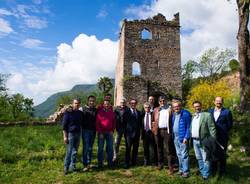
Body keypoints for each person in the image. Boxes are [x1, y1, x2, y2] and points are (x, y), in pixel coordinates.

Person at [191, 101, 216, 180]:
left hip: (204, 140)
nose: (196, 108)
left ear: (201, 106)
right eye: (195, 107)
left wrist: (212, 140)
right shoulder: (193, 116)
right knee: (199, 158)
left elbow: (212, 128)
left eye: (198, 106)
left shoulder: (207, 115)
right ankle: (202, 172)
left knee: (206, 158)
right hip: (195, 141)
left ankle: (206, 175)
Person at [208, 96, 233, 177]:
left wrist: (224, 131)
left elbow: (230, 125)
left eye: (220, 101)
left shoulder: (227, 112)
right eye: (217, 101)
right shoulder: (210, 111)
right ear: (214, 102)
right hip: (212, 136)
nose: (218, 102)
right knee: (213, 153)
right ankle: (213, 170)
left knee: (222, 154)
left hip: (222, 136)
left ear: (222, 102)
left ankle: (222, 171)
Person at [152, 96, 175, 175]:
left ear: (166, 101)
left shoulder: (170, 109)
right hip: (158, 131)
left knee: (169, 149)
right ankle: (160, 164)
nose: (162, 102)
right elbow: (153, 120)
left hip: (167, 131)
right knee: (159, 148)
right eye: (160, 101)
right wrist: (153, 129)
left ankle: (170, 167)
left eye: (163, 101)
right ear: (159, 102)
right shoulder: (156, 110)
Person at [62, 98, 84, 175]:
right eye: (75, 103)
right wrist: (65, 136)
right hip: (70, 134)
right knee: (69, 151)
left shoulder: (80, 113)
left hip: (78, 133)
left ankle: (73, 166)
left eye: (78, 103)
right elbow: (64, 126)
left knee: (75, 151)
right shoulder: (68, 113)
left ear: (79, 104)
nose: (76, 104)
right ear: (72, 104)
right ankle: (66, 167)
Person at [172, 99, 191, 178]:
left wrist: (186, 137)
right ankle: (181, 170)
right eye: (174, 107)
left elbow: (189, 127)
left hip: (183, 138)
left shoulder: (186, 114)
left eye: (177, 106)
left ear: (180, 106)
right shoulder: (174, 114)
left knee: (184, 155)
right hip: (175, 137)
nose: (176, 108)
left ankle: (186, 172)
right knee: (179, 155)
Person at [96, 100, 116, 168]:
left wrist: (112, 130)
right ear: (103, 105)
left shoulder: (112, 112)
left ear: (109, 105)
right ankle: (100, 163)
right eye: (105, 104)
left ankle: (110, 163)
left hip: (109, 132)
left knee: (110, 148)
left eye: (108, 104)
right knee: (100, 148)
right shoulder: (100, 112)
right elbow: (97, 123)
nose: (106, 105)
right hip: (101, 133)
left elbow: (114, 122)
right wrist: (100, 133)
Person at [123, 99, 141, 168]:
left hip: (136, 134)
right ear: (130, 104)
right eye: (132, 103)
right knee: (128, 149)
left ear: (136, 104)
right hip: (128, 134)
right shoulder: (126, 112)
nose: (133, 104)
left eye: (134, 103)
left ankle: (134, 162)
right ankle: (127, 163)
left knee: (135, 149)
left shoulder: (138, 113)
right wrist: (125, 133)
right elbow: (124, 123)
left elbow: (139, 124)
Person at [81, 95, 97, 171]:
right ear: (88, 101)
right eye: (90, 101)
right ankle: (85, 164)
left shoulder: (95, 110)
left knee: (90, 148)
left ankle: (89, 163)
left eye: (93, 101)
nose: (92, 102)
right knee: (86, 147)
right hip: (85, 131)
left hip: (93, 131)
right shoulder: (83, 109)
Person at [141, 102, 158, 166]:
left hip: (152, 133)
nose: (147, 108)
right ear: (144, 108)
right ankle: (146, 161)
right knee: (145, 148)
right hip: (145, 133)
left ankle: (153, 161)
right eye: (146, 107)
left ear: (150, 108)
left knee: (153, 148)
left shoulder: (153, 114)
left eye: (148, 107)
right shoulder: (142, 115)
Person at [113, 98, 129, 164]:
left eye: (123, 102)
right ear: (119, 103)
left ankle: (127, 158)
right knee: (117, 143)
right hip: (118, 129)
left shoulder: (128, 109)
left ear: (125, 103)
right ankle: (115, 156)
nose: (122, 103)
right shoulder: (116, 109)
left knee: (128, 143)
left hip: (126, 129)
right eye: (121, 102)